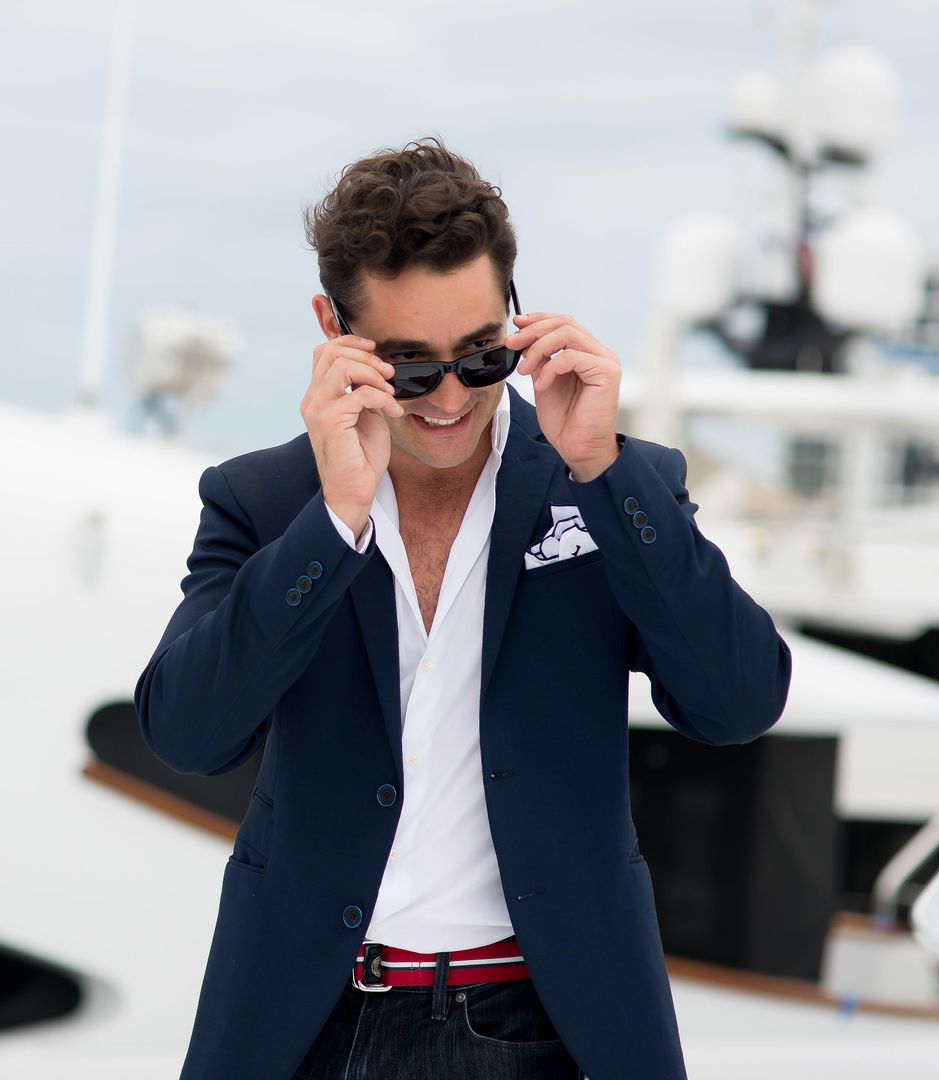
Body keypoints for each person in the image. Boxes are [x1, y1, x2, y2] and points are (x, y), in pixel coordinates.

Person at [133, 136, 793, 1080]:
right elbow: (189, 734)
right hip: (306, 1031)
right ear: (334, 328)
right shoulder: (266, 501)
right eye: (410, 366)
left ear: (519, 321)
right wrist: (334, 521)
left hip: (546, 1029)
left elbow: (738, 703)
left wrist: (605, 473)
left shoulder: (614, 484)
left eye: (480, 358)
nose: (448, 398)